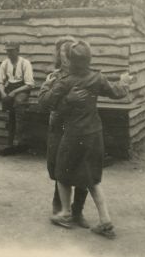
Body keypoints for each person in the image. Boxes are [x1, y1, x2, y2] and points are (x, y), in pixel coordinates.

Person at [38, 40, 132, 239]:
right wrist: (125, 81)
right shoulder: (97, 78)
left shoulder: (64, 81)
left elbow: (45, 102)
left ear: (70, 60)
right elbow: (117, 92)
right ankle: (105, 220)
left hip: (73, 134)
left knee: (61, 173)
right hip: (94, 133)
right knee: (92, 178)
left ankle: (65, 213)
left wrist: (56, 92)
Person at [39, 36, 89, 229]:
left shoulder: (86, 76)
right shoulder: (54, 77)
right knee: (60, 168)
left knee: (83, 169)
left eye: (70, 53)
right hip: (59, 127)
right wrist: (67, 99)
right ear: (59, 56)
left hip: (81, 128)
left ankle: (78, 211)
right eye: (63, 53)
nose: (67, 57)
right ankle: (59, 207)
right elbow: (44, 104)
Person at [0, 42, 35, 150]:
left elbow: (29, 84)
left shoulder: (25, 63)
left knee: (18, 104)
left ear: (17, 50)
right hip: (8, 88)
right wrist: (3, 93)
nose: (9, 53)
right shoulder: (5, 63)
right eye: (7, 51)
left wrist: (14, 92)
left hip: (22, 89)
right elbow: (0, 82)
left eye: (11, 50)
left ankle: (18, 137)